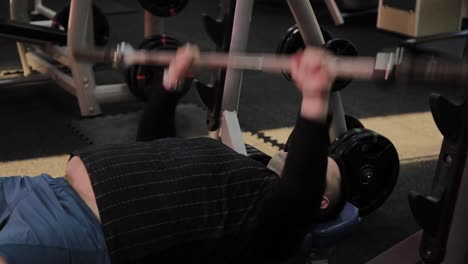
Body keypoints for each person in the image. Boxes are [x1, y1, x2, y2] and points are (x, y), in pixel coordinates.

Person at [0, 46, 346, 264]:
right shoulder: (234, 164)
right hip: (44, 190)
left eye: (321, 165)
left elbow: (299, 194)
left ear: (321, 203)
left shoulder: (274, 224)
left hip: (76, 229)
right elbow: (153, 144)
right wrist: (170, 87)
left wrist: (315, 99)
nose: (294, 151)